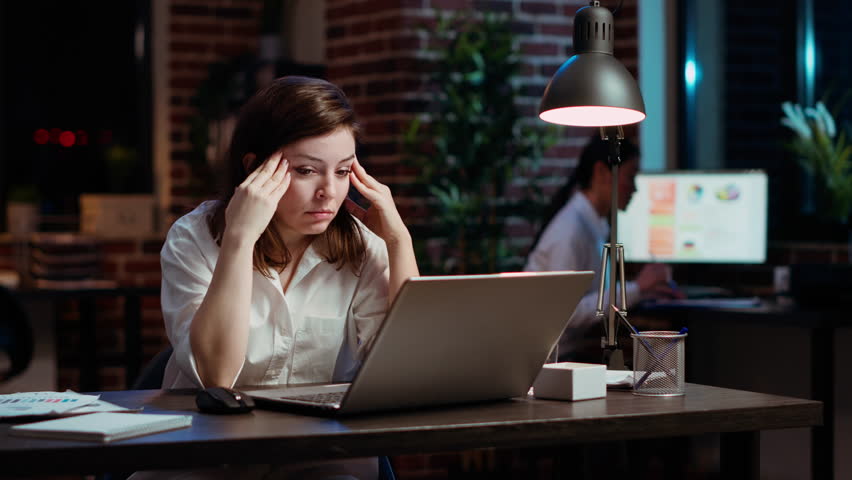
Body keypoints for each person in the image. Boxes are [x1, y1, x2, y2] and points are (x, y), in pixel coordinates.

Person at [144, 76, 418, 480]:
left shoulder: (363, 246)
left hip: (324, 456)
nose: (329, 191)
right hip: (209, 456)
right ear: (255, 169)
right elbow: (218, 377)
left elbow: (406, 371)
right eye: (307, 170)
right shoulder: (194, 237)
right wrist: (240, 237)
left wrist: (398, 239)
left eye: (343, 171)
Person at [524, 135, 679, 362]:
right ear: (601, 173)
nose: (635, 188)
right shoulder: (570, 231)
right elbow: (567, 313)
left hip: (563, 355)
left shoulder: (592, 225)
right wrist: (636, 288)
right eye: (631, 176)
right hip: (548, 361)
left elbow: (588, 296)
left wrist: (643, 290)